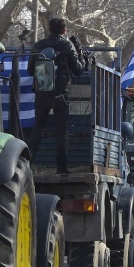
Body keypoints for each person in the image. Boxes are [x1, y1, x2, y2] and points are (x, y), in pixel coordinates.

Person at [27, 18, 86, 173]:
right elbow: (79, 70)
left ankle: (26, 164)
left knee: (39, 127)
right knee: (61, 130)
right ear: (64, 30)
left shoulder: (39, 45)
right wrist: (80, 53)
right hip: (60, 94)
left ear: (49, 29)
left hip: (41, 93)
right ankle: (61, 168)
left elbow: (29, 70)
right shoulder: (67, 45)